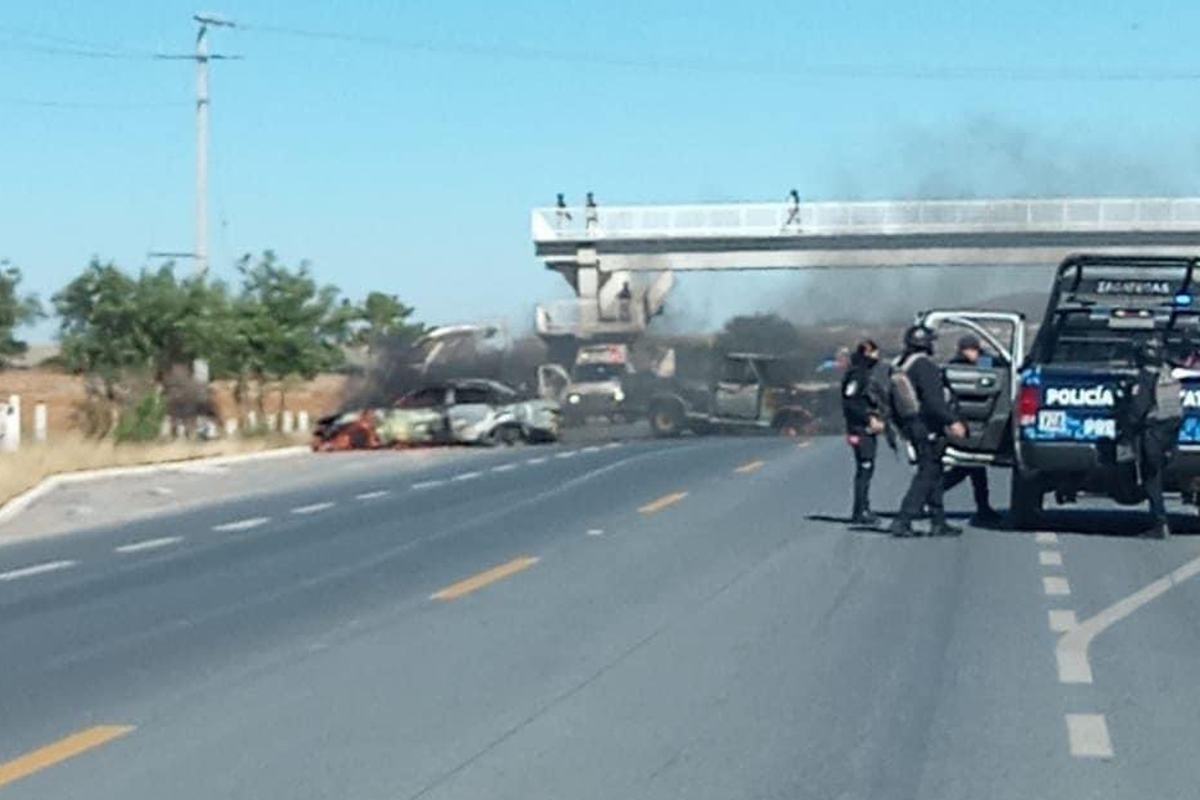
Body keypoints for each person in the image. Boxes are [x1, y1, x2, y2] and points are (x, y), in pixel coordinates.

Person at [889, 325, 968, 538]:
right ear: (927, 343)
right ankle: (903, 519)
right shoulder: (925, 366)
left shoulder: (900, 365)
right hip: (927, 426)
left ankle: (938, 520)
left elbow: (890, 400)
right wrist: (952, 421)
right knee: (928, 472)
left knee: (934, 471)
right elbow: (934, 402)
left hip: (911, 424)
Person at [941, 334, 1003, 526]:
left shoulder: (986, 362)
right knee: (969, 468)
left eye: (973, 349)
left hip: (981, 421)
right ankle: (982, 508)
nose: (970, 353)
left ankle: (983, 507)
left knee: (975, 470)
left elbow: (1000, 368)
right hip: (962, 421)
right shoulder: (956, 366)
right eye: (967, 349)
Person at [1125, 336, 1183, 538]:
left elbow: (1137, 411)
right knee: (1155, 475)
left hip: (1152, 433)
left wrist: (1127, 430)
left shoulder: (1144, 379)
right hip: (1168, 433)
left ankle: (1160, 522)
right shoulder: (1167, 374)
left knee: (1152, 478)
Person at [842, 339, 888, 524]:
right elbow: (850, 402)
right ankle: (860, 511)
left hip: (864, 428)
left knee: (866, 468)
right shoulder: (857, 374)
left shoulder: (866, 373)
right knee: (864, 468)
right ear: (867, 352)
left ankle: (863, 508)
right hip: (859, 429)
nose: (877, 357)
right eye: (875, 353)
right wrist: (868, 418)